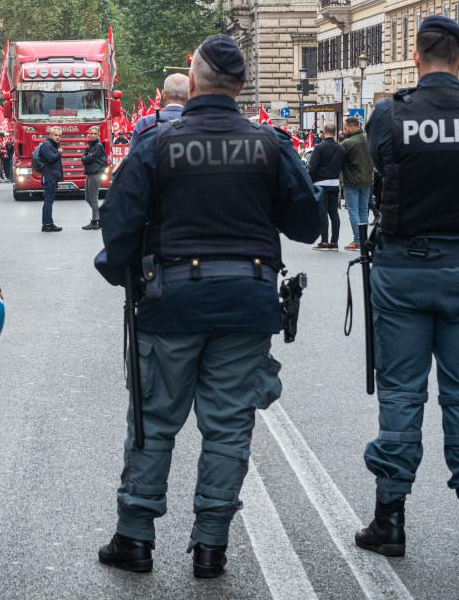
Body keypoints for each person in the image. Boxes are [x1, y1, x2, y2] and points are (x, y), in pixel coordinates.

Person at [93, 35, 320, 578]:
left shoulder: (157, 144)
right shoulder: (270, 144)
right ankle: (212, 544)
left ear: (191, 82)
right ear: (241, 88)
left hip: (171, 301)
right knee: (228, 427)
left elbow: (118, 226)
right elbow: (308, 224)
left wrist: (120, 272)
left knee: (154, 421)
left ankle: (136, 537)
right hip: (246, 301)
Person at [353, 14, 459, 561]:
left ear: (416, 57)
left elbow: (383, 164)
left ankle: (389, 520)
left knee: (401, 395)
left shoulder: (388, 115)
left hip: (404, 272)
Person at [306, 124, 344, 249]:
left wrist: (309, 183)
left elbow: (312, 168)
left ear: (325, 132)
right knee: (334, 213)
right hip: (334, 183)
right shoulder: (340, 148)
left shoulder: (319, 148)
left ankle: (324, 241)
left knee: (323, 213)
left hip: (320, 184)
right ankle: (334, 242)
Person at [340, 116, 373, 250]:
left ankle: (358, 241)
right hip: (367, 180)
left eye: (346, 127)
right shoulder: (368, 139)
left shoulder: (347, 143)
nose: (344, 129)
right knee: (364, 211)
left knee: (353, 211)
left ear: (353, 126)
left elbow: (339, 159)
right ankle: (364, 240)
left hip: (351, 181)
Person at [34, 129, 64, 233]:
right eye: (55, 135)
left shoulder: (52, 145)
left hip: (52, 176)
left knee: (49, 200)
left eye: (59, 135)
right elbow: (51, 158)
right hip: (49, 177)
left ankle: (49, 223)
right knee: (48, 200)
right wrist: (59, 153)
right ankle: (47, 225)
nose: (58, 137)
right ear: (50, 135)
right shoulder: (47, 145)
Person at [80, 135, 107, 230]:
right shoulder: (91, 146)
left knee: (93, 198)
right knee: (87, 198)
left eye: (95, 133)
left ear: (98, 134)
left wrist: (84, 157)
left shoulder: (98, 146)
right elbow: (85, 158)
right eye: (91, 133)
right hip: (90, 173)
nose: (92, 135)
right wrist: (85, 157)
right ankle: (100, 217)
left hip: (95, 173)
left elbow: (87, 159)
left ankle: (95, 222)